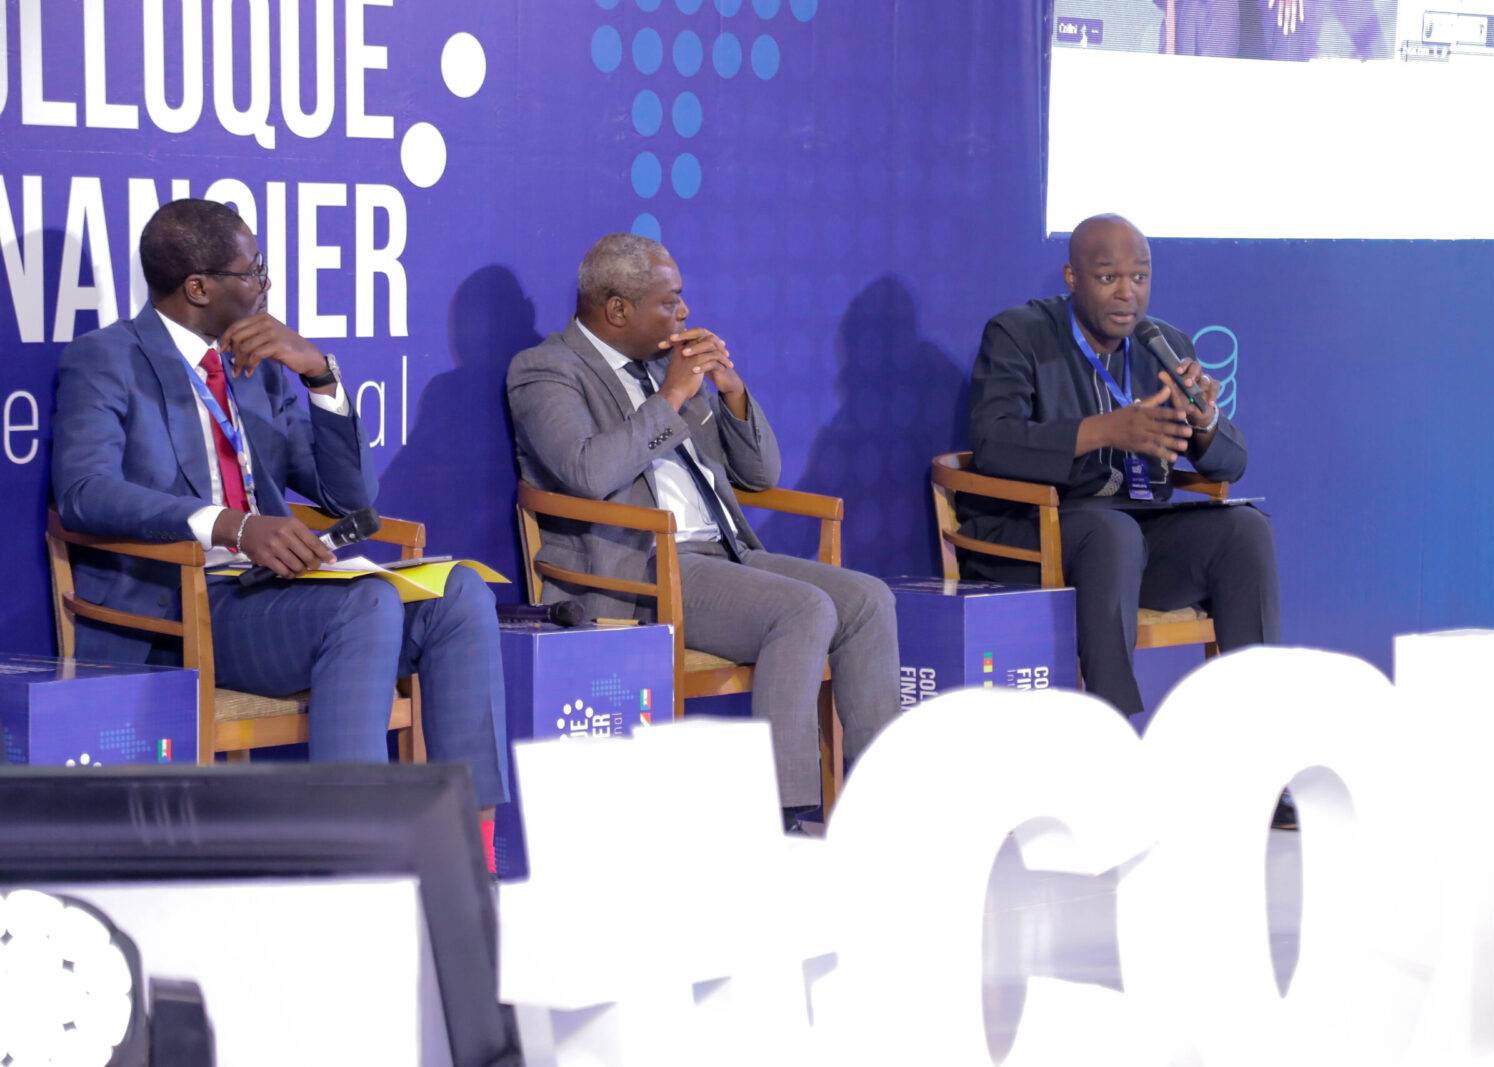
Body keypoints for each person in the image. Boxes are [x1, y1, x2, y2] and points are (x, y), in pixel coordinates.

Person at [52, 198, 508, 866]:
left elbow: (349, 497)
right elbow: (84, 492)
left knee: (460, 594)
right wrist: (231, 525)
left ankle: (475, 859)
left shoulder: (258, 366)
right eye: (253, 272)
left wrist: (318, 374)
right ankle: (356, 867)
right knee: (367, 603)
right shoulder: (107, 358)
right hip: (185, 606)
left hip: (279, 593)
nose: (265, 286)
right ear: (198, 287)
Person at [506, 233, 900, 828]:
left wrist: (731, 391)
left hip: (725, 552)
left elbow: (760, 475)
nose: (685, 312)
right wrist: (671, 396)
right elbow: (587, 473)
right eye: (670, 302)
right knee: (803, 610)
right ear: (618, 310)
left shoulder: (666, 365)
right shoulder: (547, 370)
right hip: (639, 568)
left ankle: (885, 807)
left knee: (869, 600)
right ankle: (783, 815)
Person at [963, 213, 1280, 720]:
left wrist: (1204, 421)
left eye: (1140, 277)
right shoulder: (1019, 334)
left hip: (1137, 536)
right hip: (1040, 536)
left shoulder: (1164, 345)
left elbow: (1232, 463)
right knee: (1112, 533)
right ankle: (1113, 731)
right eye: (1108, 277)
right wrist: (1105, 431)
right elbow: (992, 442)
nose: (1127, 293)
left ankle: (1258, 730)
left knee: (1244, 530)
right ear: (1073, 277)